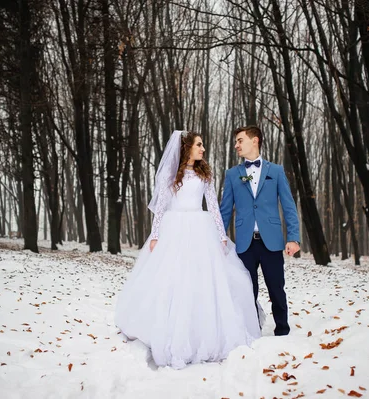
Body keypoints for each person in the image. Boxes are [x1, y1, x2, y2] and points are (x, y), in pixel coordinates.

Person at [115, 130, 261, 369]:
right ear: (187, 148)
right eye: (199, 145)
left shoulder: (205, 175)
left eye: (203, 145)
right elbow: (160, 208)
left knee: (202, 280)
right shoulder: (170, 175)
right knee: (172, 279)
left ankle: (202, 332)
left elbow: (213, 205)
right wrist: (156, 234)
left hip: (200, 229)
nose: (203, 149)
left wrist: (221, 235)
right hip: (174, 228)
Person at [220, 125, 300, 336]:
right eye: (236, 141)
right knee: (247, 290)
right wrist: (218, 237)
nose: (236, 145)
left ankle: (282, 331)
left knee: (276, 288)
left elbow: (289, 206)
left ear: (254, 141)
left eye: (240, 140)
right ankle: (251, 331)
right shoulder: (232, 174)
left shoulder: (276, 171)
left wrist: (293, 238)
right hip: (245, 243)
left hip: (271, 241)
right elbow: (225, 210)